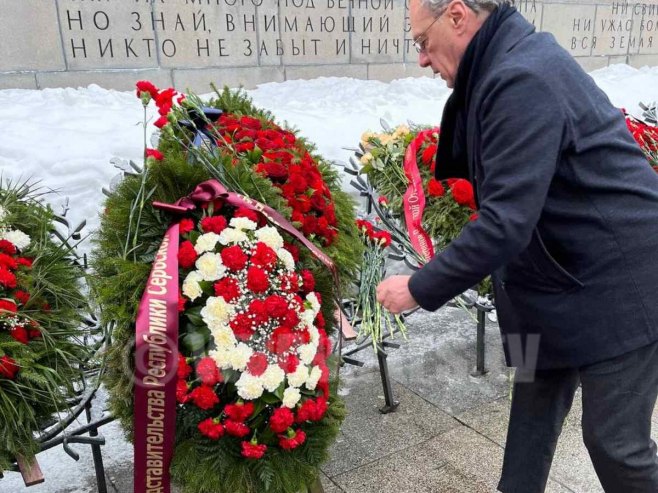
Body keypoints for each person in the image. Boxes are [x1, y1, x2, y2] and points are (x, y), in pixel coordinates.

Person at [375, 0, 658, 491]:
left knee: (616, 445)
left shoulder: (522, 75)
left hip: (620, 287)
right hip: (547, 291)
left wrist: (419, 287)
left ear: (458, 16)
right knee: (531, 419)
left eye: (423, 41)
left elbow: (505, 222)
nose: (421, 57)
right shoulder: (505, 60)